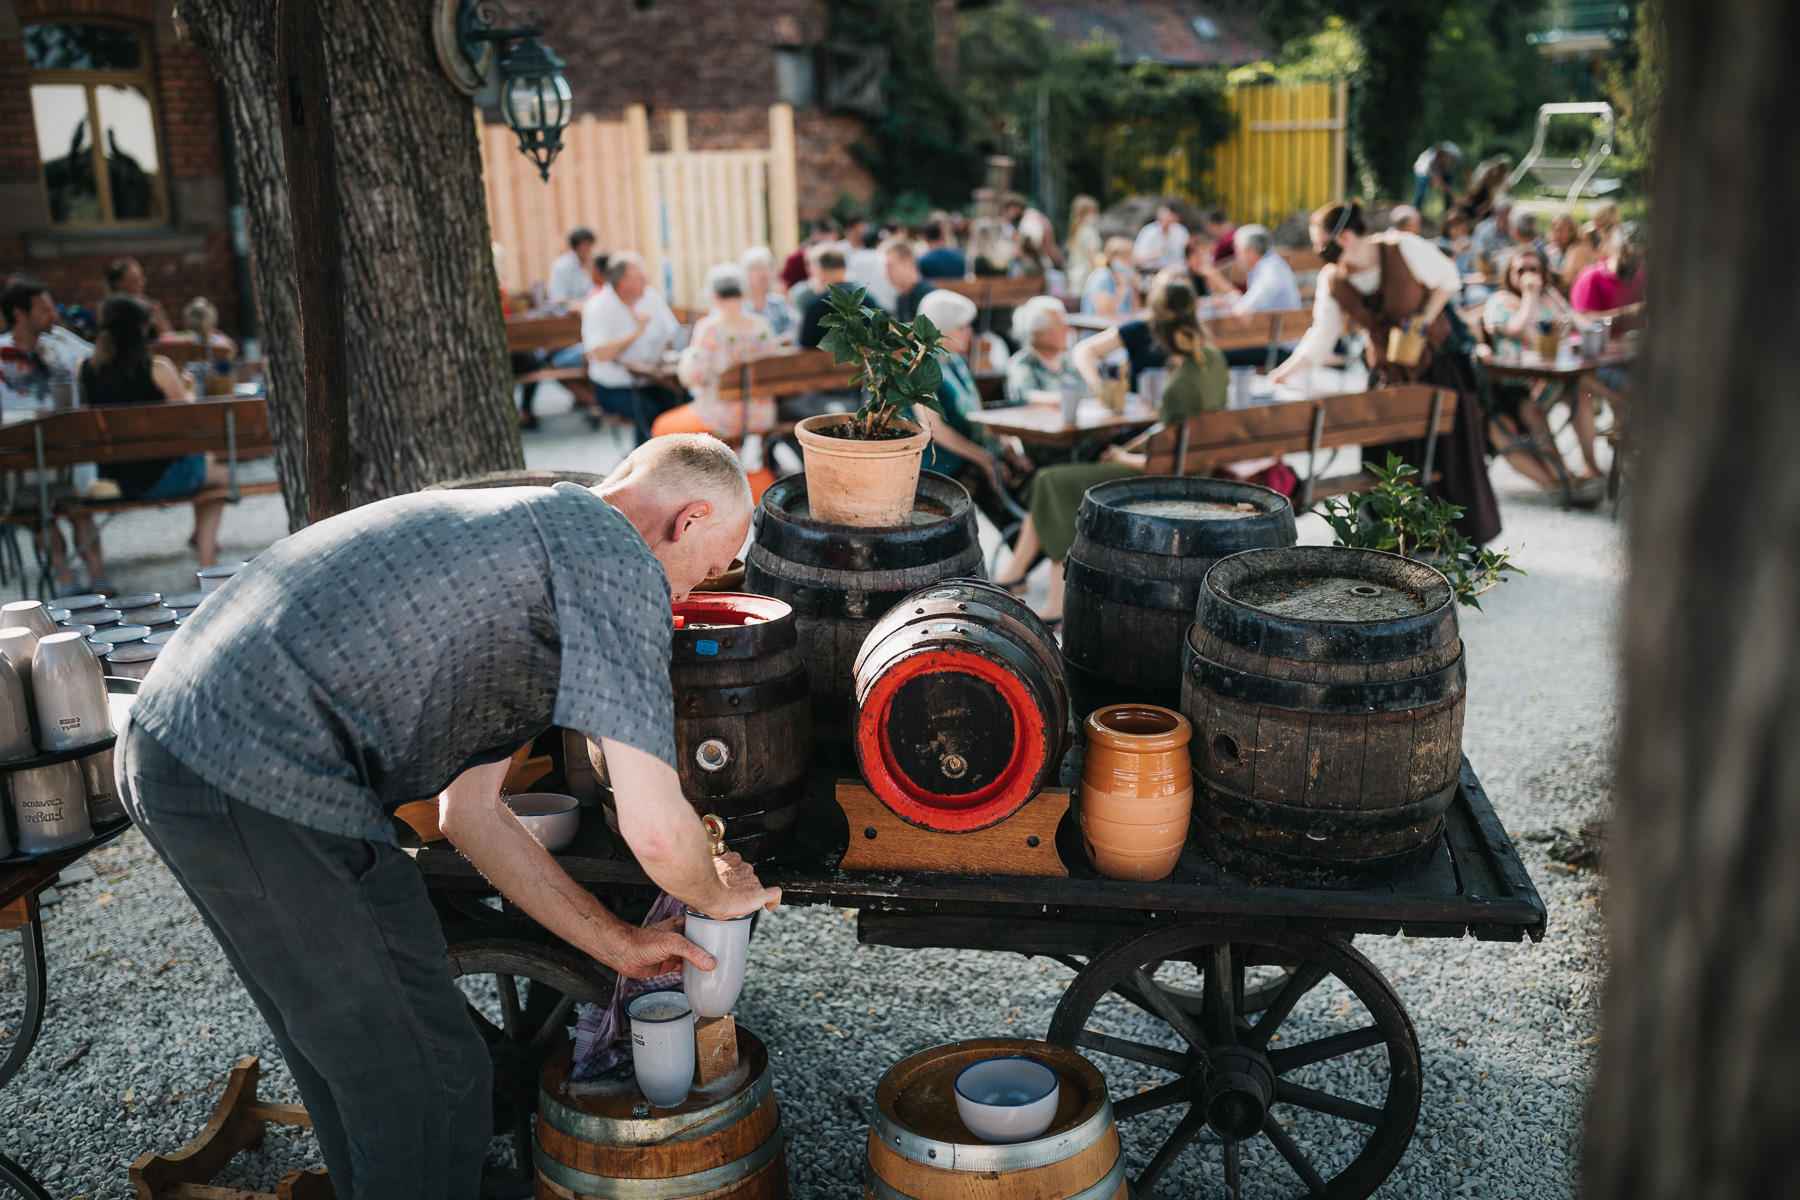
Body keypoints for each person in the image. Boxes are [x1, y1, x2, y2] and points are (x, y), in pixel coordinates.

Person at [116, 434, 780, 1195]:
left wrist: (621, 943)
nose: (690, 598)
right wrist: (718, 892)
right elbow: (658, 830)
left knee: (356, 1066)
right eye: (705, 569)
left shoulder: (536, 539)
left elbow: (469, 813)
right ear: (688, 520)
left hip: (173, 746)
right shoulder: (615, 557)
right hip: (258, 768)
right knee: (430, 1080)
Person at [994, 273, 1228, 624]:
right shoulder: (1212, 360)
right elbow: (1174, 441)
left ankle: (1052, 597)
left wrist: (1122, 457)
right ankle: (1020, 577)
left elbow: (1164, 461)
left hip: (1167, 478)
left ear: (1158, 322)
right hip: (1190, 470)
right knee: (1051, 480)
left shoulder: (1181, 383)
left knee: (1053, 482)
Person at [1268, 201, 1501, 546]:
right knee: (1387, 460)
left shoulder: (1402, 248)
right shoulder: (1333, 279)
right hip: (1387, 375)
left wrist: (1422, 319)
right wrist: (1282, 375)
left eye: (1321, 243)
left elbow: (1448, 280)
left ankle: (1462, 543)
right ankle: (1393, 540)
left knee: (1450, 456)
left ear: (1343, 237)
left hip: (1436, 368)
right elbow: (1322, 334)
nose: (1319, 251)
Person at [79, 296, 233, 565]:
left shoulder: (86, 369)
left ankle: (96, 575)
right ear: (141, 329)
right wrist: (189, 389)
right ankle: (207, 560)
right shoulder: (158, 368)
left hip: (112, 480)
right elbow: (187, 420)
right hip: (162, 476)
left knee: (205, 462)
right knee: (220, 476)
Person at [0, 277, 106, 592]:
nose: (53, 316)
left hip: (69, 448)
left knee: (78, 506)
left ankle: (98, 576)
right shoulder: (2, 353)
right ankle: (66, 580)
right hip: (24, 454)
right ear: (20, 313)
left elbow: (100, 360)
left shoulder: (61, 342)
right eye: (45, 310)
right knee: (41, 511)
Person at [1482, 246, 1607, 493]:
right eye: (1521, 270)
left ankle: (1591, 466)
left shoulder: (1549, 295)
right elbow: (1519, 330)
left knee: (1580, 395)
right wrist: (1530, 295)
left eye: (1534, 269)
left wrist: (1594, 332)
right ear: (1510, 274)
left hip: (1550, 377)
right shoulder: (1500, 301)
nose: (1528, 274)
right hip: (1516, 384)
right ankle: (1562, 476)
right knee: (1534, 410)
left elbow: (1573, 317)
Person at [912, 290, 1031, 534]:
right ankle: (1027, 547)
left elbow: (978, 413)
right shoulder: (919, 366)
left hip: (968, 452)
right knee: (997, 481)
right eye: (962, 327)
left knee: (1027, 471)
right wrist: (985, 458)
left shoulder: (954, 360)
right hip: (939, 462)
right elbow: (934, 430)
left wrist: (1005, 449)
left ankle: (1034, 542)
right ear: (941, 330)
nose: (970, 332)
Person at [659, 262, 781, 444]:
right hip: (761, 413)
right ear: (742, 292)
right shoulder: (762, 326)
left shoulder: (710, 328)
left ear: (714, 295)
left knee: (661, 425)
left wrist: (684, 357)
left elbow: (692, 376)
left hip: (721, 416)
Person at [581, 251, 682, 443]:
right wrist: (637, 331)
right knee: (648, 411)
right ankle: (644, 465)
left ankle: (677, 462)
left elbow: (673, 333)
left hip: (652, 379)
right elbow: (598, 354)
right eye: (640, 277)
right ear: (622, 283)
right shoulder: (597, 306)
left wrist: (664, 350)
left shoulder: (650, 297)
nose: (646, 280)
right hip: (614, 386)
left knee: (682, 402)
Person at [1003, 295, 1084, 404]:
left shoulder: (1069, 362)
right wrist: (1065, 399)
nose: (1067, 330)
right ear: (1038, 334)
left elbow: (1087, 393)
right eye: (1059, 326)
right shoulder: (1022, 364)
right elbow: (1023, 396)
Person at [1569, 221, 1647, 328]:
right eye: (1630, 257)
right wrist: (1626, 313)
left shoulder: (1640, 276)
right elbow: (1580, 321)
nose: (1635, 264)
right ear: (1615, 250)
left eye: (1640, 258)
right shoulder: (1590, 278)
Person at [796, 248, 852, 349]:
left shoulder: (816, 306)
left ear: (820, 270)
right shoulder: (867, 298)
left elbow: (805, 346)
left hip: (825, 364)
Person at [739, 246, 797, 342]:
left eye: (766, 268)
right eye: (756, 269)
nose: (763, 274)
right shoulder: (739, 306)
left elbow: (795, 327)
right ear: (745, 274)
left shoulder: (778, 302)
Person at [105, 257, 172, 336]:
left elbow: (168, 336)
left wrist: (159, 319)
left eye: (140, 278)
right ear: (119, 283)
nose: (142, 282)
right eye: (134, 280)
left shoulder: (150, 304)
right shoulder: (112, 309)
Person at [158, 296, 238, 361]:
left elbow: (162, 339)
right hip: (214, 379)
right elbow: (233, 350)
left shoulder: (184, 338)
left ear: (188, 321)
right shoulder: (222, 341)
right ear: (212, 319)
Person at [1079, 237, 1140, 320]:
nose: (1129, 261)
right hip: (1098, 330)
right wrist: (1122, 288)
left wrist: (1135, 288)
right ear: (1111, 258)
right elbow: (1105, 313)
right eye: (1124, 257)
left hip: (1120, 326)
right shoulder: (1102, 276)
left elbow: (1135, 311)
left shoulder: (1125, 277)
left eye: (1130, 256)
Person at [882, 237, 935, 323]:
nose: (886, 273)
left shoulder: (928, 297)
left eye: (889, 266)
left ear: (908, 262)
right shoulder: (902, 297)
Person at [1001, 194, 1061, 269]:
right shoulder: (1031, 216)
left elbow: (1035, 245)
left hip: (1038, 264)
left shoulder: (1030, 219)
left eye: (1007, 210)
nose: (1006, 214)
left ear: (1016, 207)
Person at [846, 226, 897, 312]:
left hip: (863, 310)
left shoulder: (853, 259)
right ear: (878, 242)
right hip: (886, 307)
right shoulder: (883, 257)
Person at [547, 227, 597, 307]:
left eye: (590, 246)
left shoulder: (591, 264)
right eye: (586, 245)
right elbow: (557, 298)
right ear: (576, 246)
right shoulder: (562, 266)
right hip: (568, 315)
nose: (590, 249)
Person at [1063, 195, 1102, 296]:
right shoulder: (1089, 232)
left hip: (1075, 275)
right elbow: (1093, 256)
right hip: (1087, 275)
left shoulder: (1075, 231)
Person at [1132, 202, 1189, 272]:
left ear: (1176, 218)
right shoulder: (1148, 232)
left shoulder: (1180, 231)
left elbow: (1187, 255)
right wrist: (1156, 253)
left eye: (1169, 217)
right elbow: (1136, 258)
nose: (1165, 219)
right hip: (1153, 271)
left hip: (1178, 270)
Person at [1412, 142, 1463, 214]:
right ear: (1442, 155)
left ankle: (1448, 210)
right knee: (1422, 192)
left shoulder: (1442, 162)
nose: (1449, 160)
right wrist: (1453, 196)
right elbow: (1439, 182)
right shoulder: (1431, 162)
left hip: (1434, 173)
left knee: (1449, 180)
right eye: (1448, 157)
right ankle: (1415, 211)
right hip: (1422, 172)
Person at [1471, 197, 1515, 267]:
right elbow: (1478, 257)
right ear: (1495, 216)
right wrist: (1502, 255)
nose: (1508, 222)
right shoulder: (1482, 230)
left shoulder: (1516, 229)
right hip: (1489, 271)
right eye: (1503, 218)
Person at [1544, 211, 1583, 288]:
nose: (1557, 234)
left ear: (1572, 232)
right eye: (1554, 229)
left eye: (1561, 230)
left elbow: (1566, 280)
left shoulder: (1577, 249)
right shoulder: (1550, 248)